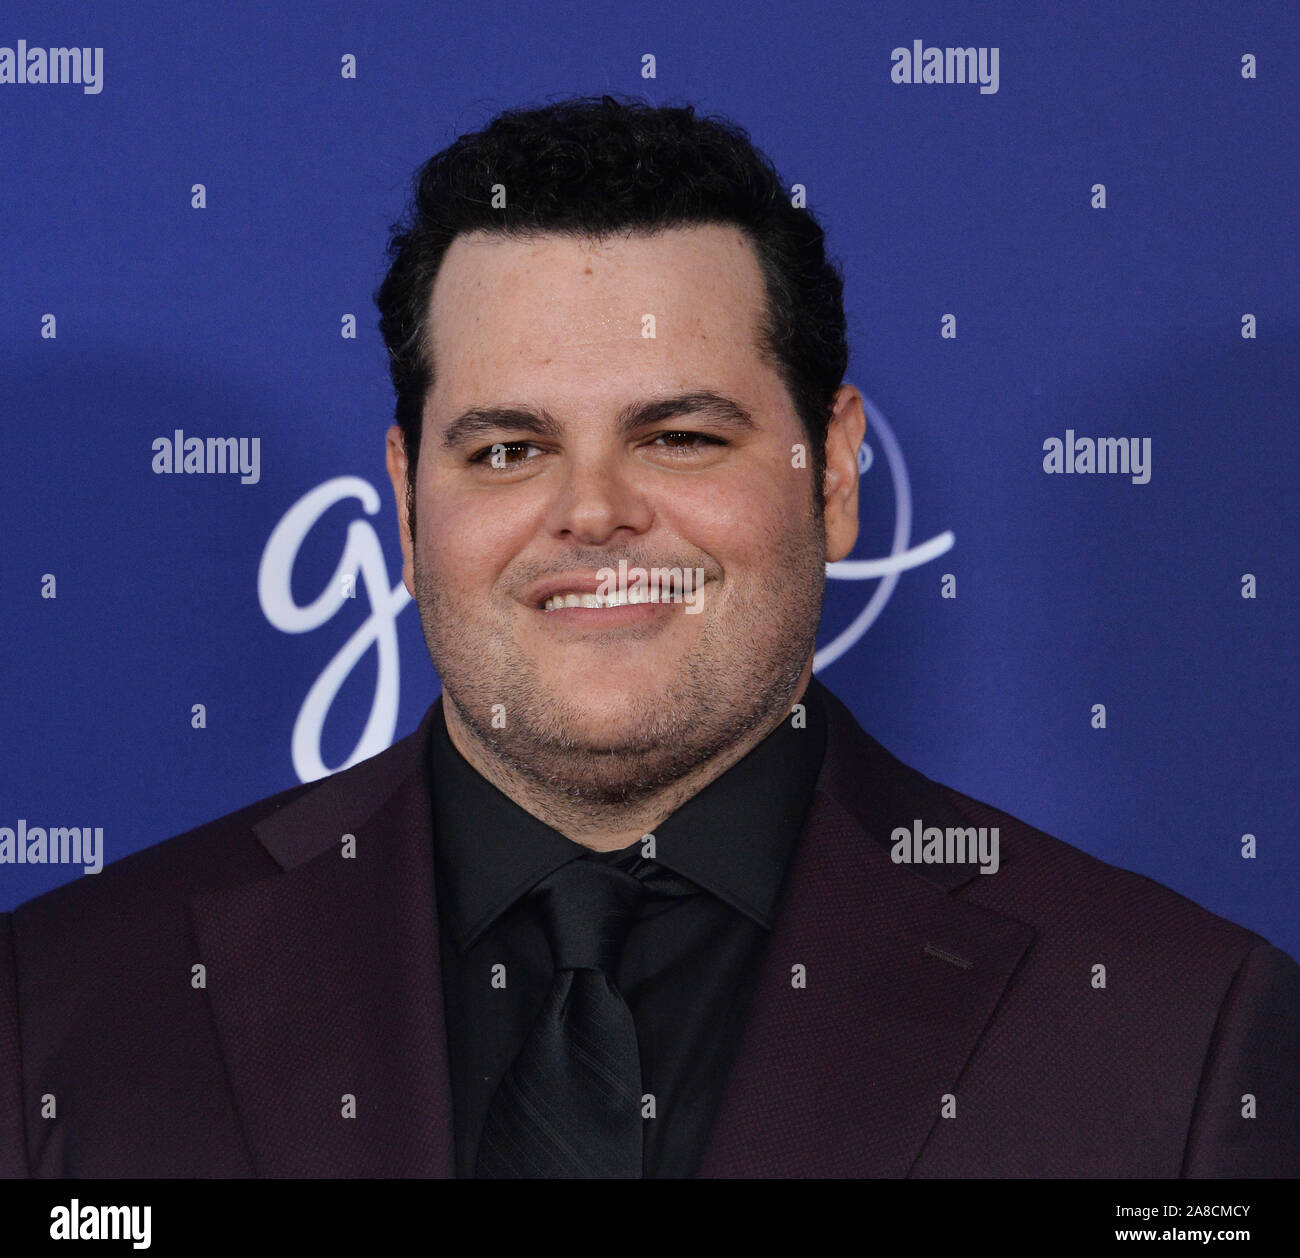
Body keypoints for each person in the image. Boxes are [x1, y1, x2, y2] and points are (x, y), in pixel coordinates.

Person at [2, 95, 1297, 1179]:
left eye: (680, 435)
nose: (595, 513)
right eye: (509, 448)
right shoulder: (60, 1007)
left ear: (832, 473)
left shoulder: (1174, 1032)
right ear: (403, 501)